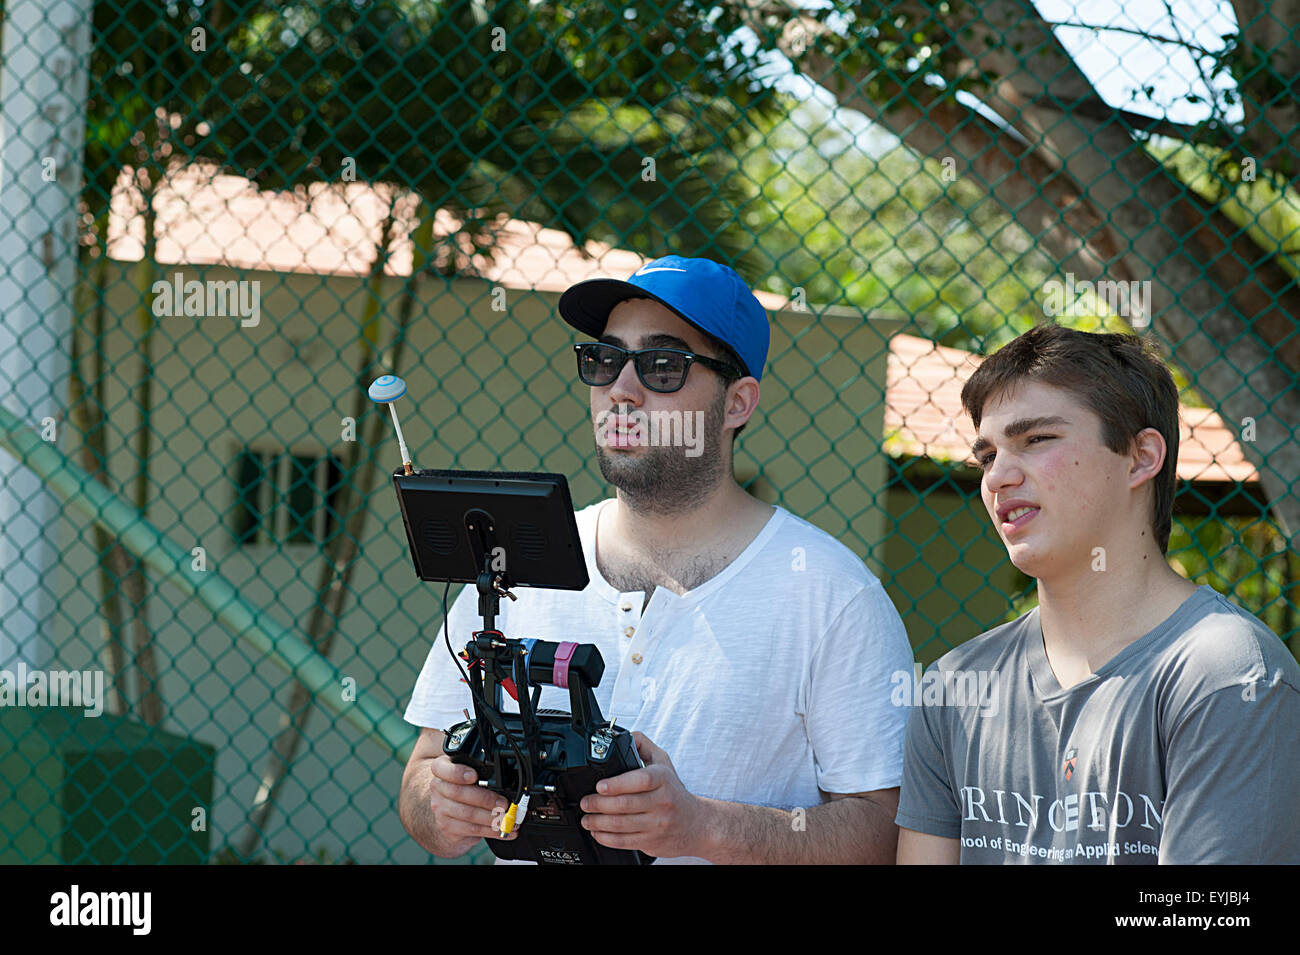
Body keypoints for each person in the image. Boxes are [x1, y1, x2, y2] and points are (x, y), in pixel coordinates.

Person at [399, 255, 913, 864]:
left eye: (663, 367)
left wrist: (700, 826)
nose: (621, 389)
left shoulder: (831, 596)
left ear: (737, 403)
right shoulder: (514, 566)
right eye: (604, 359)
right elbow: (423, 774)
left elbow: (884, 833)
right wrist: (442, 805)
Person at [895, 324, 1300, 864]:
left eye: (1036, 440)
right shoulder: (954, 688)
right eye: (987, 456)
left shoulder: (1229, 676)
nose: (997, 478)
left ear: (1140, 458)